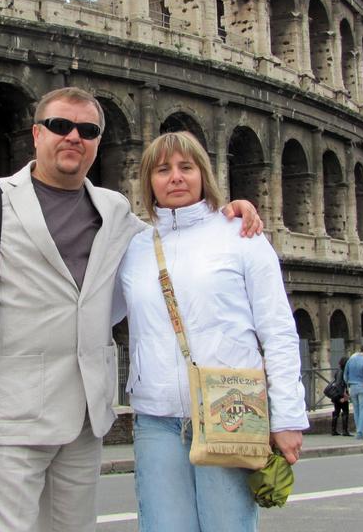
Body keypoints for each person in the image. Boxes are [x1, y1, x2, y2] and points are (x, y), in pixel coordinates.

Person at [0, 87, 262, 531]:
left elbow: (168, 244)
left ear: (97, 142)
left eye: (87, 130)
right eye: (60, 126)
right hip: (13, 410)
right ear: (36, 134)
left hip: (86, 414)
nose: (73, 137)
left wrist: (222, 215)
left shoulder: (114, 208)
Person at [114, 132, 307, 531]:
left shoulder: (242, 235)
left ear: (205, 173)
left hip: (230, 409)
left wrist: (287, 417)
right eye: (163, 169)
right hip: (156, 417)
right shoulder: (135, 248)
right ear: (148, 180)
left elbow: (278, 330)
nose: (176, 178)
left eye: (187, 167)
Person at [344, 345, 363, 440]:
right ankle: (360, 433)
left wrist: (348, 385)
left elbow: (345, 375)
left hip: (352, 387)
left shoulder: (350, 360)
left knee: (356, 410)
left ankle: (358, 431)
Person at [330, 356, 351, 437]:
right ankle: (344, 430)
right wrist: (343, 395)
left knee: (337, 412)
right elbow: (339, 384)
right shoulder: (342, 372)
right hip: (340, 394)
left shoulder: (338, 370)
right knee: (345, 412)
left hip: (337, 395)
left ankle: (334, 430)